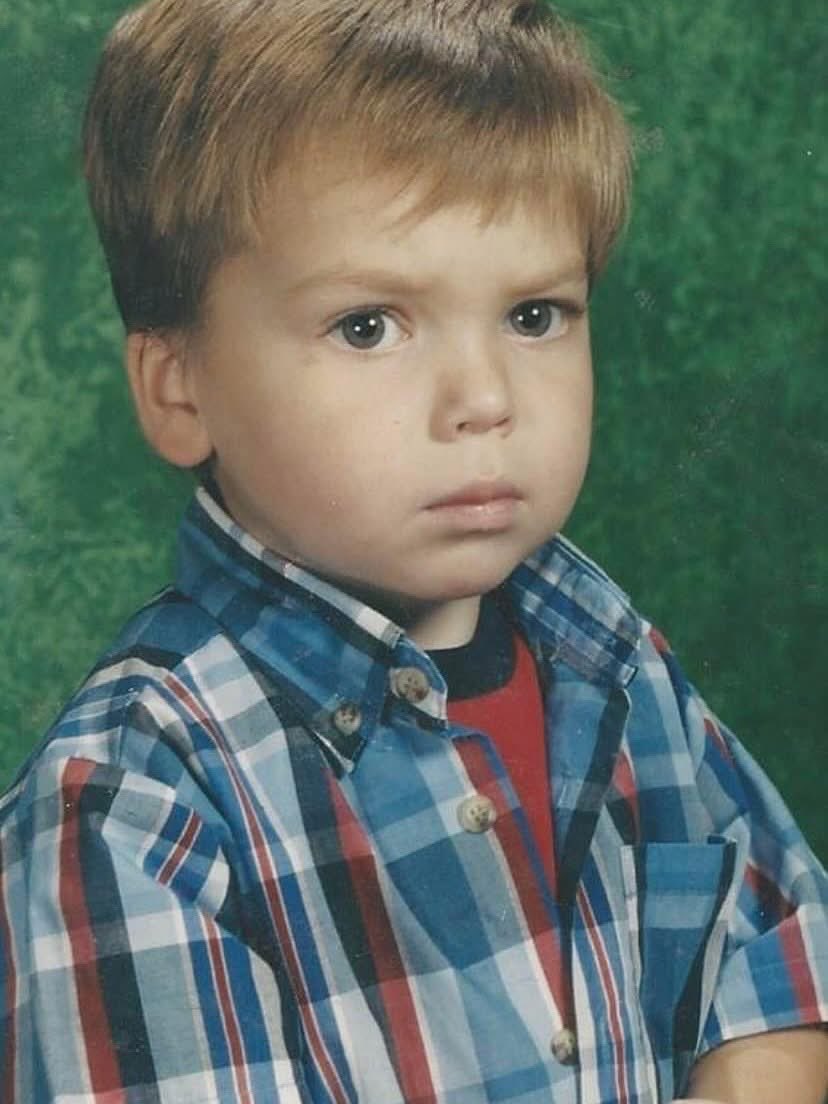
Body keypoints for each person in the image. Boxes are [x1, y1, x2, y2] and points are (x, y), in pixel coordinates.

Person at [0, 1, 825, 1100]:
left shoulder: (615, 662)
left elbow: (781, 955)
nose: (485, 400)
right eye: (369, 325)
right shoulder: (129, 809)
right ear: (178, 387)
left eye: (535, 315)